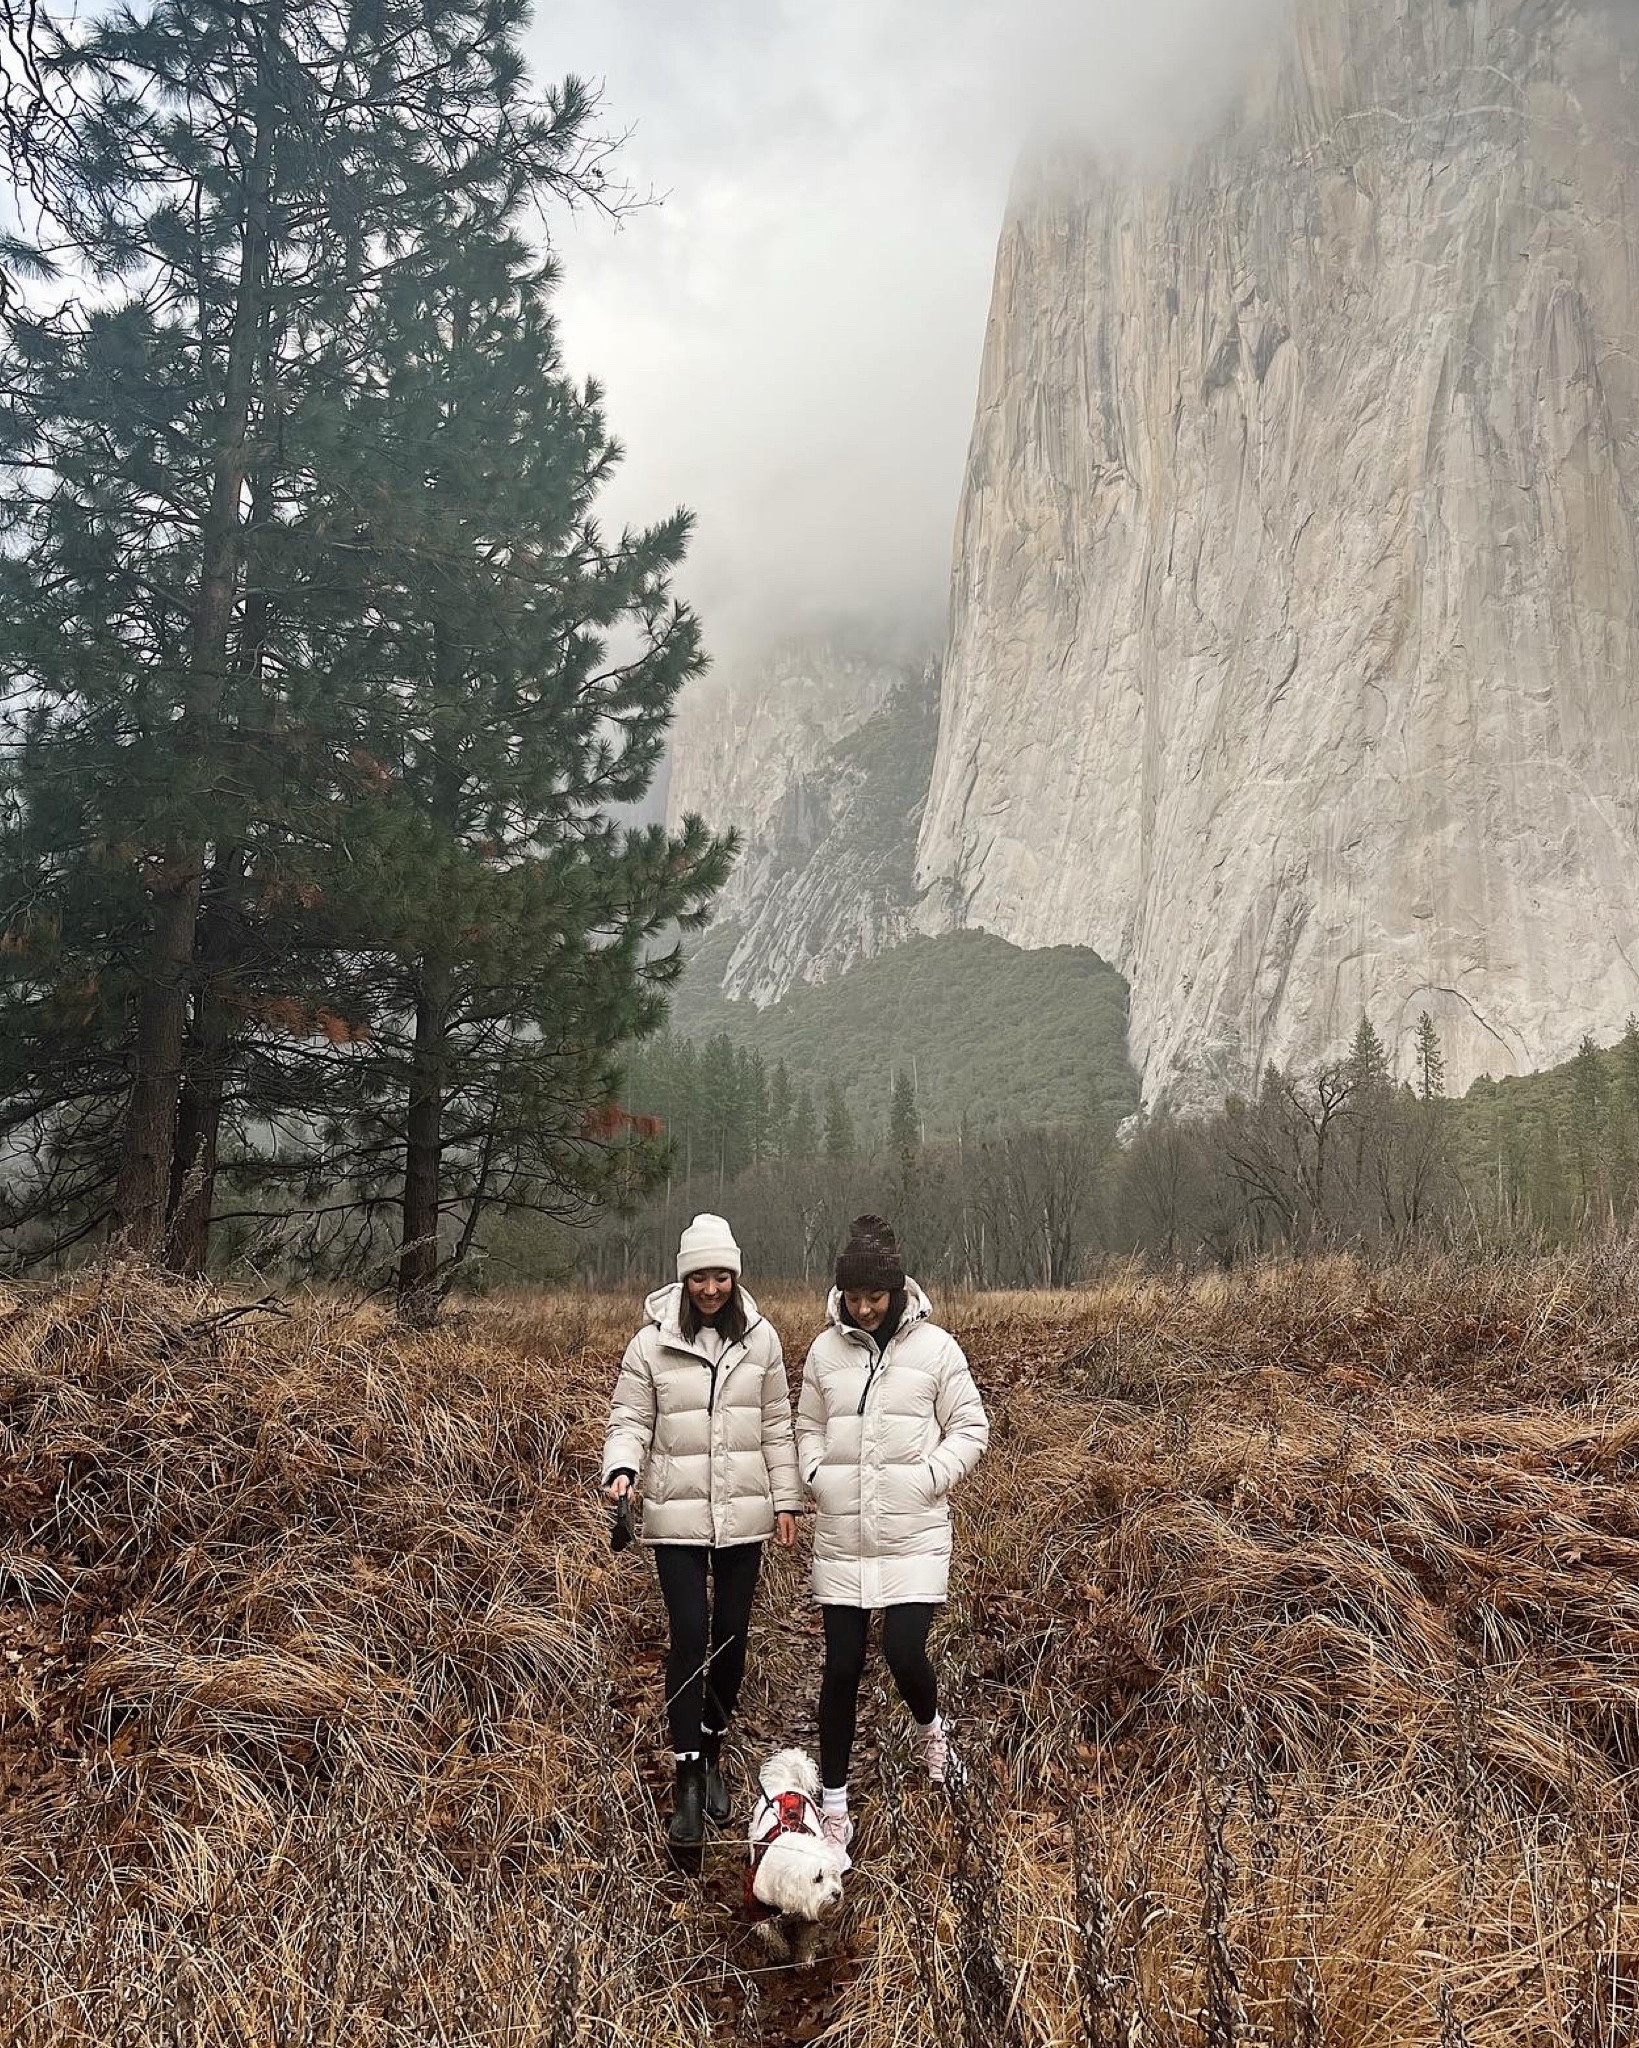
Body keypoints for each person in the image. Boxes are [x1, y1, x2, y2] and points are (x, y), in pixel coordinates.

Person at [796, 1214, 989, 1870]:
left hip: (913, 1529)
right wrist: (815, 1475)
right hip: (844, 1531)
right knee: (842, 1668)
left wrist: (932, 1476)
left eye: (874, 1297)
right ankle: (832, 1804)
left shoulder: (935, 1348)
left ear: (897, 1292)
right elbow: (805, 1425)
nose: (864, 1308)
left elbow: (970, 1424)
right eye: (853, 1297)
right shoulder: (825, 1352)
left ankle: (932, 1734)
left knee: (905, 1651)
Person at [603, 1213, 801, 1850]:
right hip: (677, 1517)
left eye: (721, 1275)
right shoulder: (650, 1344)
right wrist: (623, 1467)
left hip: (745, 1513)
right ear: (683, 1278)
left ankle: (714, 1748)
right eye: (699, 1277)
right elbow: (629, 1416)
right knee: (690, 1634)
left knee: (733, 1637)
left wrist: (787, 1499)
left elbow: (777, 1425)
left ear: (735, 1275)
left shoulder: (762, 1341)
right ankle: (686, 1776)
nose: (710, 1288)